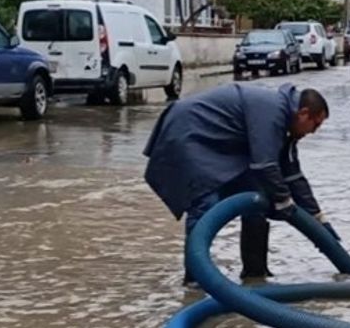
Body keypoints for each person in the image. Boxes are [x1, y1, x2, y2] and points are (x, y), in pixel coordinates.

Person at [143, 82, 335, 283]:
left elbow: (292, 175)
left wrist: (317, 217)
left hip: (219, 143)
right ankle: (195, 280)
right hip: (188, 133)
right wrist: (284, 201)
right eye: (316, 124)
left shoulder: (287, 122)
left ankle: (255, 275)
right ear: (303, 113)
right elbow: (265, 165)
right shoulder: (273, 111)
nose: (314, 132)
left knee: (256, 201)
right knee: (206, 203)